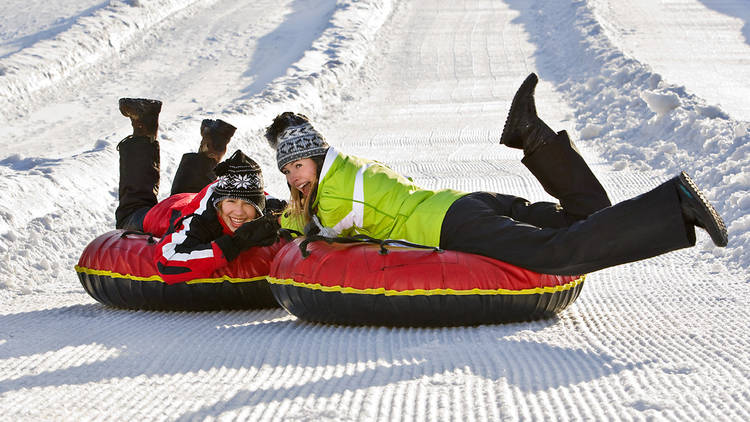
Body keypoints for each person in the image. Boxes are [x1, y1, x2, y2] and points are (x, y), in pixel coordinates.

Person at [264, 73, 728, 276]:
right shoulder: (340, 176)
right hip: (467, 205)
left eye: (299, 166)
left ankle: (674, 203)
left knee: (556, 252)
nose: (295, 178)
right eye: (287, 173)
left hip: (455, 224)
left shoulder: (341, 184)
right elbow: (309, 216)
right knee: (591, 217)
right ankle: (534, 136)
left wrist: (277, 222)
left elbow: (322, 231)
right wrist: (282, 211)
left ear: (318, 157)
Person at [115, 98, 281, 284]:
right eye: (232, 202)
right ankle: (143, 126)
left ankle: (212, 145)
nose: (239, 212)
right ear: (220, 204)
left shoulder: (259, 203)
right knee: (129, 213)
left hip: (194, 199)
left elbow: (285, 210)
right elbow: (169, 262)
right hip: (168, 212)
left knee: (200, 197)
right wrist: (234, 244)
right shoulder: (199, 222)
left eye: (247, 204)